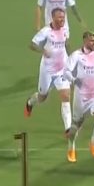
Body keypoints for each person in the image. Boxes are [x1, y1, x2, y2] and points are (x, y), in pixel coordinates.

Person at [24, 8, 73, 136]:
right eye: (60, 17)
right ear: (53, 18)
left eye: (63, 17)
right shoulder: (46, 31)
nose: (62, 19)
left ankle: (68, 129)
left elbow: (66, 44)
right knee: (42, 97)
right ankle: (30, 102)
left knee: (66, 96)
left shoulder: (64, 29)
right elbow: (32, 44)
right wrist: (43, 50)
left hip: (62, 69)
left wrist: (72, 60)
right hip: (47, 70)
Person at [64, 31, 94, 162]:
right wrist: (73, 80)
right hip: (81, 96)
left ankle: (93, 144)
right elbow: (66, 71)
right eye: (91, 41)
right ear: (85, 41)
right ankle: (71, 147)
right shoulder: (77, 56)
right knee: (75, 127)